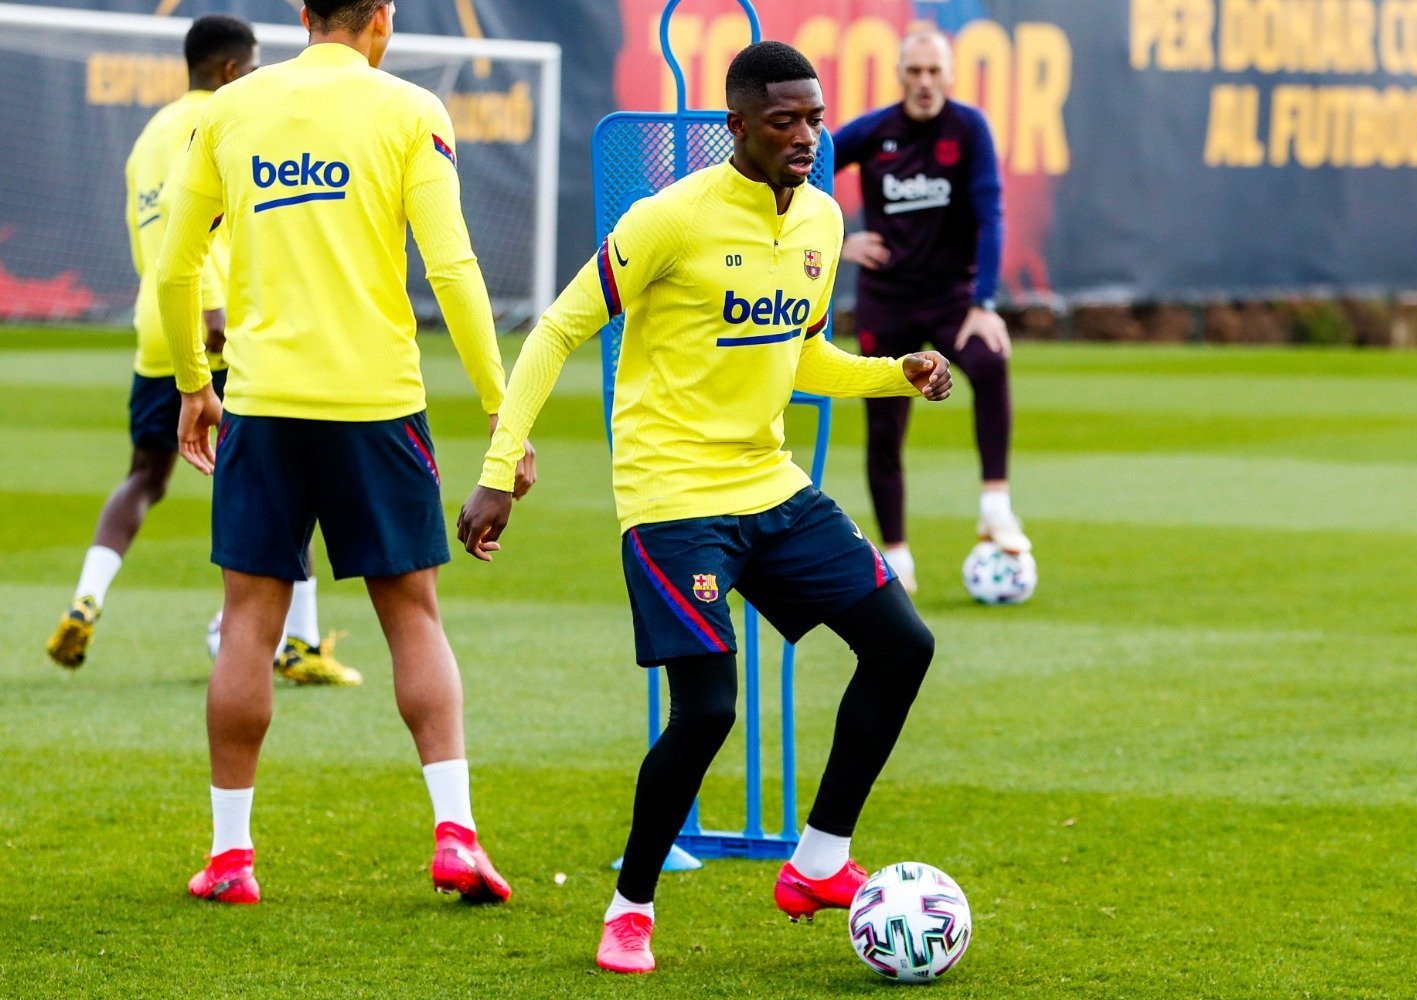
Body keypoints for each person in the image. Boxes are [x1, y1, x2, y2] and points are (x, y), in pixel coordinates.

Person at [457, 41, 953, 974]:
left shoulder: (821, 218)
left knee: (904, 646)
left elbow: (796, 354)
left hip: (770, 485)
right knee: (709, 709)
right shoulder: (671, 219)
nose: (807, 137)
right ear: (736, 126)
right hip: (672, 496)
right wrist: (497, 464)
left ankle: (819, 860)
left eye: (814, 118)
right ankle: (629, 909)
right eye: (784, 122)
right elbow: (560, 327)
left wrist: (896, 371)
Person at [154, 0, 533, 905]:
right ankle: (455, 835)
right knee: (414, 619)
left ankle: (231, 858)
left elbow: (175, 267)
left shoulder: (227, 109)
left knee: (249, 622)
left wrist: (191, 385)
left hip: (263, 405)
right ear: (383, 18)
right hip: (378, 407)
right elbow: (454, 270)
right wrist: (500, 410)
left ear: (301, 13)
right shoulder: (409, 110)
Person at [44, 15, 357, 686]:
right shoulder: (226, 124)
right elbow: (203, 243)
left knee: (145, 477)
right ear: (229, 72)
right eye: (250, 66)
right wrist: (215, 318)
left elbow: (150, 246)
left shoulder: (147, 136)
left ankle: (86, 598)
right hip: (214, 330)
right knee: (280, 477)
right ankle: (285, 639)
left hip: (155, 329)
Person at [832, 28, 1027, 594]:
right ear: (900, 75)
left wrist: (984, 302)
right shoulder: (874, 131)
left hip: (949, 297)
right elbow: (806, 170)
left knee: (990, 360)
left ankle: (995, 505)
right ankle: (897, 558)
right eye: (913, 71)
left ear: (950, 75)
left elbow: (992, 213)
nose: (923, 82)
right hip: (887, 299)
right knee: (885, 423)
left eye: (933, 71)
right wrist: (843, 237)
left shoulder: (969, 128)